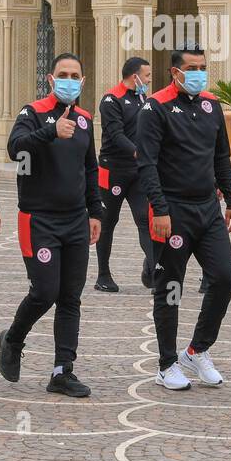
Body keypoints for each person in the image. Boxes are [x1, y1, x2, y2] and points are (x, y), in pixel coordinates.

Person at [0, 53, 103, 398]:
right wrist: (50, 131)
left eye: (76, 75)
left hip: (75, 220)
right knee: (45, 291)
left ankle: (62, 371)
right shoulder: (32, 113)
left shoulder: (86, 120)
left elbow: (90, 169)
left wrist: (95, 212)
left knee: (70, 296)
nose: (70, 80)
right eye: (64, 74)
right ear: (51, 79)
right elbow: (15, 149)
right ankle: (13, 339)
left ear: (83, 81)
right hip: (39, 219)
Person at [137, 47, 231, 391]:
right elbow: (147, 163)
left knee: (224, 277)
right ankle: (167, 364)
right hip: (172, 210)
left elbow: (221, 156)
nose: (198, 73)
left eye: (203, 67)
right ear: (174, 72)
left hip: (208, 209)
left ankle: (197, 349)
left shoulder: (212, 105)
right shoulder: (156, 107)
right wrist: (160, 209)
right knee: (171, 288)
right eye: (191, 68)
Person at [95, 56, 154, 292]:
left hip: (137, 172)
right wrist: (138, 152)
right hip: (112, 171)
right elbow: (116, 134)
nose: (149, 80)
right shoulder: (111, 100)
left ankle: (154, 270)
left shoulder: (142, 97)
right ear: (134, 76)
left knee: (145, 220)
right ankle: (103, 275)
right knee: (107, 223)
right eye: (147, 76)